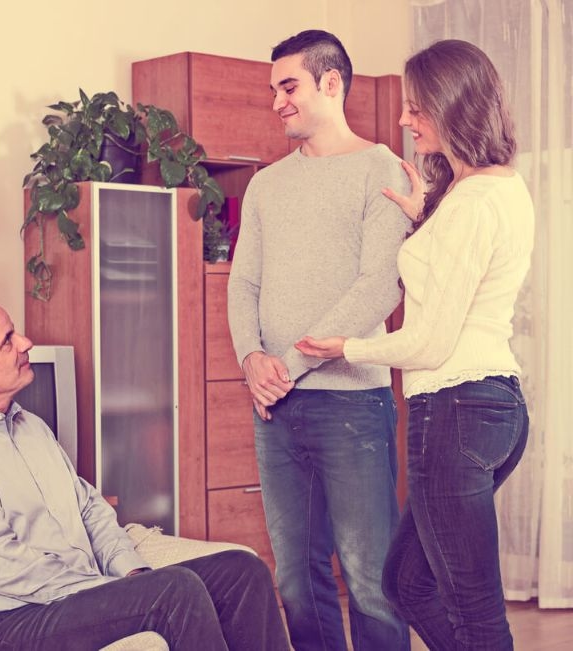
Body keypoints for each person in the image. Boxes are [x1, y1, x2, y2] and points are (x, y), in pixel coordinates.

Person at [296, 39, 534, 650]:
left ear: (452, 106)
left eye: (416, 107)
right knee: (407, 582)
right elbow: (464, 276)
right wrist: (427, 211)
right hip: (493, 407)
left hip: (455, 409)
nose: (404, 119)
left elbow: (428, 343)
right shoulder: (497, 188)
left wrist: (346, 346)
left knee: (476, 610)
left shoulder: (471, 204)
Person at [0, 301, 289, 651]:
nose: (26, 342)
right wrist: (110, 588)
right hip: (10, 620)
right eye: (7, 341)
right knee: (175, 591)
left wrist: (131, 571)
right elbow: (2, 568)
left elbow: (88, 508)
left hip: (75, 593)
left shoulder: (30, 426)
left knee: (242, 570)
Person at [227, 29, 412, 650]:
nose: (277, 101)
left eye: (289, 86)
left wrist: (287, 363)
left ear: (331, 83)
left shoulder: (379, 168)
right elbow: (242, 282)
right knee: (298, 584)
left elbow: (379, 287)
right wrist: (251, 361)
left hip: (352, 405)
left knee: (368, 580)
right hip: (274, 405)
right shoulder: (265, 185)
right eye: (273, 89)